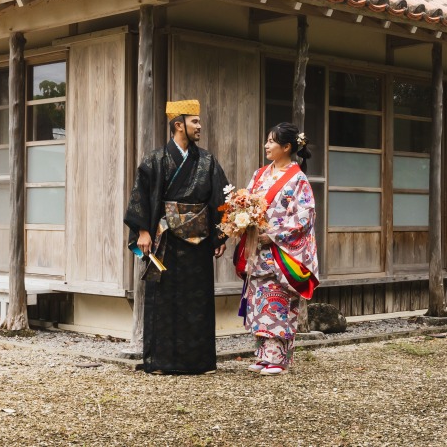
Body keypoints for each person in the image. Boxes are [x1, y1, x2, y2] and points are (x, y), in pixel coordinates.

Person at [124, 99, 229, 375]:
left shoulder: (207, 160)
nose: (200, 126)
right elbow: (140, 197)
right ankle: (160, 362)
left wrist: (220, 235)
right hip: (166, 241)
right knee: (163, 299)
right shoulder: (155, 159)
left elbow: (220, 198)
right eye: (195, 121)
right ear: (178, 124)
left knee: (198, 300)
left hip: (199, 242)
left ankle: (200, 361)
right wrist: (143, 231)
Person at [237, 122, 319, 375]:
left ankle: (279, 358)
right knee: (259, 301)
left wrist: (272, 235)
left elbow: (305, 215)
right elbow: (247, 202)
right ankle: (263, 354)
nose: (266, 145)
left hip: (281, 251)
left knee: (278, 302)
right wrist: (240, 218)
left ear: (286, 147)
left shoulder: (298, 178)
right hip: (257, 249)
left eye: (272, 142)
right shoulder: (259, 174)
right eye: (267, 141)